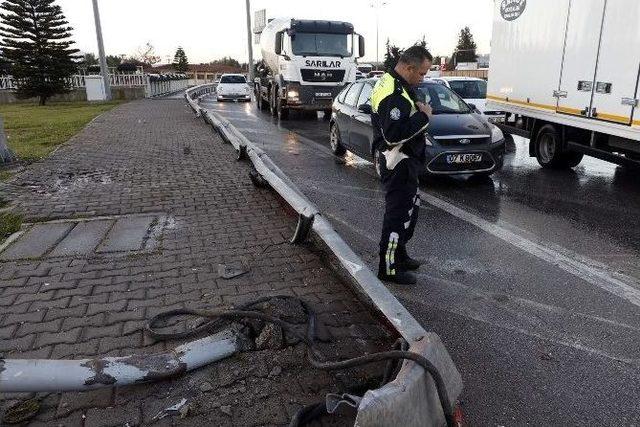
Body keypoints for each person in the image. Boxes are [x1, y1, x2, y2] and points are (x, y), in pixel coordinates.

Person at [371, 45, 433, 285]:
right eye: (422, 73)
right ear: (409, 68)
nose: (423, 78)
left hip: (406, 162)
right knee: (396, 217)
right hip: (398, 162)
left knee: (409, 212)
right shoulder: (393, 93)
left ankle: (400, 255)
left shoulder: (395, 83)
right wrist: (423, 117)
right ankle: (388, 268)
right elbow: (393, 135)